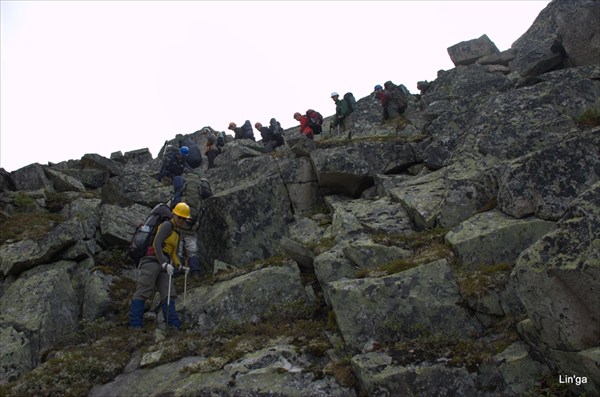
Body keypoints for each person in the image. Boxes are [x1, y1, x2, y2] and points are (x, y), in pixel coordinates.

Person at [129, 202, 191, 330]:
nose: (181, 221)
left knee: (168, 293)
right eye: (179, 217)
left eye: (184, 219)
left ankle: (174, 325)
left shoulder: (177, 232)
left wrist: (180, 267)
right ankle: (135, 325)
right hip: (151, 261)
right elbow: (157, 244)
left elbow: (173, 252)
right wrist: (163, 262)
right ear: (174, 214)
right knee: (143, 291)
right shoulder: (166, 225)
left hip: (165, 264)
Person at [172, 173, 208, 279]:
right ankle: (195, 272)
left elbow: (174, 203)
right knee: (192, 250)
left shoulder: (182, 185)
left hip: (179, 225)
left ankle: (177, 271)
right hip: (192, 225)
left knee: (177, 249)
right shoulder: (200, 186)